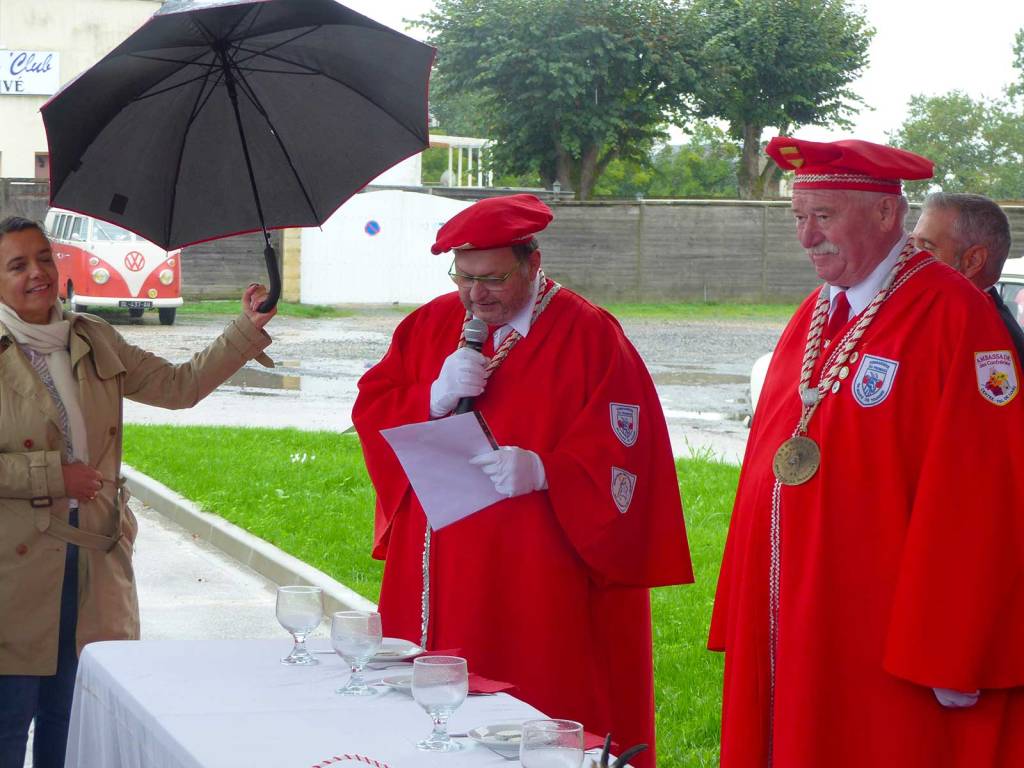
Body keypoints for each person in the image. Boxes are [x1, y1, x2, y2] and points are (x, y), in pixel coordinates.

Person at [709, 138, 1024, 768]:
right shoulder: (817, 310)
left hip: (882, 624)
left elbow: (982, 494)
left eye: (824, 216)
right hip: (798, 606)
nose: (807, 237)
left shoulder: (952, 312)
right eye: (799, 217)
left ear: (886, 213)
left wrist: (957, 647)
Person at [353, 194, 692, 765]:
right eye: (464, 278)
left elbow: (630, 451)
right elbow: (372, 407)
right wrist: (431, 396)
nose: (476, 295)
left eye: (493, 279)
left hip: (532, 571)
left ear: (533, 264)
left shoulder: (589, 335)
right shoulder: (429, 324)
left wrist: (545, 470)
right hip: (438, 558)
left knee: (535, 705)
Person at [0, 216, 277, 768]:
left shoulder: (92, 335)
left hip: (93, 561)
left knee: (74, 720)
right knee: (9, 721)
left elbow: (178, 386)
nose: (38, 273)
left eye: (44, 258)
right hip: (14, 571)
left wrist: (245, 329)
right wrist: (54, 476)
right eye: (17, 264)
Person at [912, 191, 1024, 361]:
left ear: (973, 260)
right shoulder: (948, 318)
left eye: (927, 247)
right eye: (912, 245)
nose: (910, 257)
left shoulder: (988, 337)